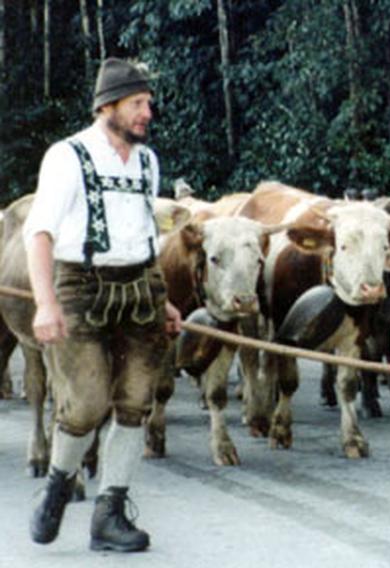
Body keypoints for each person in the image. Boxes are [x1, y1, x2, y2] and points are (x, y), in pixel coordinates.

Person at [26, 57, 181, 551]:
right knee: (88, 402)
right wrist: (45, 304)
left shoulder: (147, 162)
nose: (147, 114)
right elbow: (39, 233)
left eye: (148, 104)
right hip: (80, 288)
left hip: (141, 289)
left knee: (138, 401)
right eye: (138, 104)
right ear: (107, 106)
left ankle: (109, 514)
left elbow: (144, 237)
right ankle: (57, 485)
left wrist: (165, 299)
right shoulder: (67, 156)